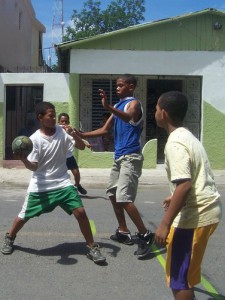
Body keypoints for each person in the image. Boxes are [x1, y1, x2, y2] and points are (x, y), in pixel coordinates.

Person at [1, 101, 106, 264]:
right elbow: (34, 167)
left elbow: (81, 147)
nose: (54, 119)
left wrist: (74, 134)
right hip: (41, 186)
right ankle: (10, 237)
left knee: (81, 213)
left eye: (55, 115)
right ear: (40, 118)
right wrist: (23, 160)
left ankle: (92, 247)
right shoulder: (34, 140)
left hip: (63, 183)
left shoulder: (63, 132)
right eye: (51, 116)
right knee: (23, 216)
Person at [77, 74, 154, 259]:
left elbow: (129, 118)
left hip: (131, 157)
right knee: (112, 193)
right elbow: (104, 129)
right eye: (117, 85)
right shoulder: (117, 107)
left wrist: (108, 107)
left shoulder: (134, 104)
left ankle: (145, 234)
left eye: (121, 85)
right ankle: (123, 230)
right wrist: (82, 134)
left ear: (131, 86)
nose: (117, 88)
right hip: (119, 157)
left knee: (124, 197)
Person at [154, 91, 222, 300]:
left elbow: (184, 185)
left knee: (180, 277)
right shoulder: (188, 136)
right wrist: (172, 195)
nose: (154, 113)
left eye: (156, 109)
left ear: (163, 113)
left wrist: (165, 224)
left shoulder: (175, 143)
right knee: (184, 272)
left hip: (195, 216)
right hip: (207, 209)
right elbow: (195, 175)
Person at [58, 113, 87, 195]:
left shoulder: (71, 131)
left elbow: (79, 140)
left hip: (68, 155)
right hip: (59, 157)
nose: (64, 123)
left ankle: (78, 185)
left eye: (66, 121)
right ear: (58, 122)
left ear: (69, 122)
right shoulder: (56, 130)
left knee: (76, 173)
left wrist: (86, 143)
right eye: (62, 121)